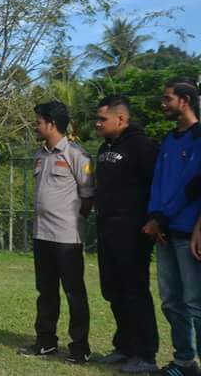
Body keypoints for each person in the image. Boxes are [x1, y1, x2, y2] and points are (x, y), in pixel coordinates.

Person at [18, 101, 94, 364]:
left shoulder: (77, 155)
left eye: (38, 122)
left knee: (74, 293)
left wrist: (71, 221)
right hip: (42, 235)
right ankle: (46, 342)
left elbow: (87, 197)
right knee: (46, 292)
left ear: (52, 124)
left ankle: (80, 347)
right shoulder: (40, 155)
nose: (35, 126)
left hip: (67, 238)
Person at [94, 95, 159, 373]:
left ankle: (146, 354)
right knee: (113, 289)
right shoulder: (104, 148)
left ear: (120, 119)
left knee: (135, 290)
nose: (97, 123)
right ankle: (125, 347)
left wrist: (155, 219)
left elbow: (157, 183)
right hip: (107, 227)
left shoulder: (142, 146)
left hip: (132, 230)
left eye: (102, 119)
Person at [142, 77, 201, 376]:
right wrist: (155, 216)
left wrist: (163, 217)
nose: (162, 104)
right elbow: (158, 181)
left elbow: (192, 185)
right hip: (163, 230)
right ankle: (184, 361)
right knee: (170, 301)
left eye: (167, 99)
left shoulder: (198, 137)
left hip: (188, 232)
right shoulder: (168, 140)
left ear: (185, 101)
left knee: (195, 302)